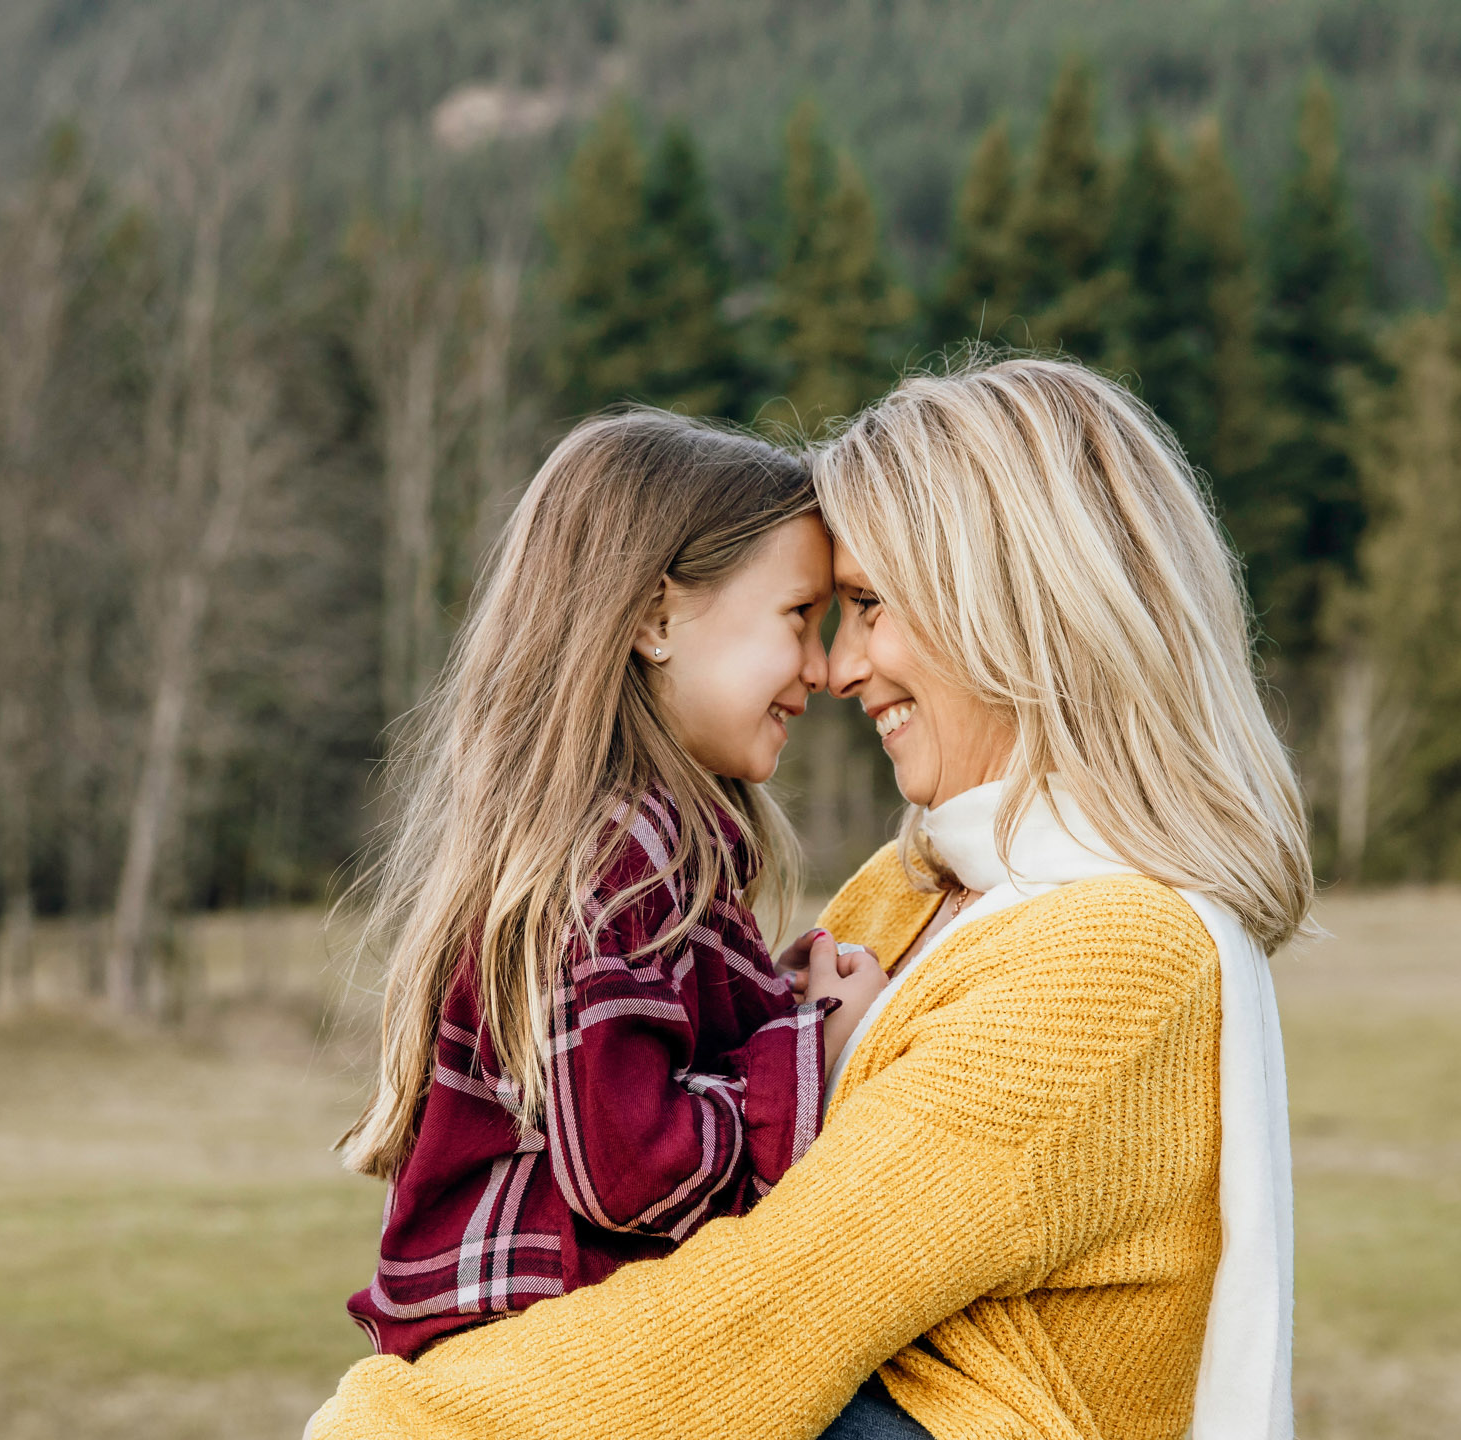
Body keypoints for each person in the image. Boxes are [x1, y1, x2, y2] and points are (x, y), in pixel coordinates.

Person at [307, 357, 1315, 1440]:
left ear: (1012, 610)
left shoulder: (1116, 955)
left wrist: (388, 1427)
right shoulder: (910, 890)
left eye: (869, 606)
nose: (837, 670)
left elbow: (766, 1313)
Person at [335, 408, 889, 1359]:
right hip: (528, 1337)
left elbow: (631, 1077)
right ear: (653, 617)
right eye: (799, 617)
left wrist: (768, 1005)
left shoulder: (637, 844)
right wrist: (816, 1046)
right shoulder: (620, 852)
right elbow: (630, 1166)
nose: (821, 669)